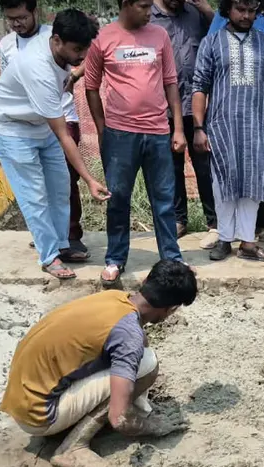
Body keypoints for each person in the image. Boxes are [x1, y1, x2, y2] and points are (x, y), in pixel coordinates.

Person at [1, 260, 197, 467]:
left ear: (145, 282)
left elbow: (134, 339)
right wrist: (154, 426)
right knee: (147, 365)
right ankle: (72, 448)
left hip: (20, 398)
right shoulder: (128, 335)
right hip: (39, 416)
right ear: (171, 308)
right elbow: (119, 419)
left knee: (137, 355)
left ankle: (136, 406)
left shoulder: (115, 297)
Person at [0, 9, 110, 280]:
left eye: (85, 48)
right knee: (34, 194)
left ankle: (62, 244)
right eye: (77, 49)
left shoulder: (57, 42)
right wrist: (90, 179)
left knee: (60, 185)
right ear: (56, 42)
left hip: (38, 122)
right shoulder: (38, 68)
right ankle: (49, 256)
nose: (82, 56)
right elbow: (63, 135)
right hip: (11, 127)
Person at [84, 0, 188, 286]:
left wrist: (178, 129)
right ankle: (115, 259)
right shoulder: (103, 38)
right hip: (120, 135)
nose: (149, 12)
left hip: (158, 132)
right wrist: (102, 128)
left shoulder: (160, 36)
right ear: (126, 4)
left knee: (164, 200)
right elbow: (91, 86)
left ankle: (172, 258)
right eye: (143, 6)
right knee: (118, 199)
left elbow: (170, 82)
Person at [192, 0, 264, 262]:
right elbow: (199, 87)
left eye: (251, 11)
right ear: (228, 9)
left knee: (253, 182)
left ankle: (248, 243)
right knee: (223, 182)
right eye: (241, 10)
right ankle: (224, 239)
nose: (246, 16)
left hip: (257, 125)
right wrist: (199, 127)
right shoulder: (211, 43)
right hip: (221, 126)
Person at [0, 0, 89, 260]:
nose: (17, 23)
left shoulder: (57, 34)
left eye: (22, 17)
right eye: (11, 18)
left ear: (34, 12)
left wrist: (73, 76)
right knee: (36, 189)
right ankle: (48, 247)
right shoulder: (7, 45)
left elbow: (90, 54)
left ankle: (69, 237)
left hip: (60, 117)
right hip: (23, 124)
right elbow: (5, 77)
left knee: (64, 182)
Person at [150, 0, 222, 250]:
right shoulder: (149, 16)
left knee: (205, 165)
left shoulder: (195, 13)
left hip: (197, 105)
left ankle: (214, 221)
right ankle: (179, 219)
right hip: (164, 107)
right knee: (172, 166)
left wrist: (207, 10)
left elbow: (221, 32)